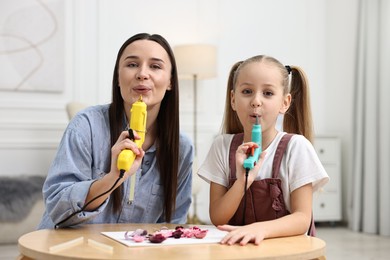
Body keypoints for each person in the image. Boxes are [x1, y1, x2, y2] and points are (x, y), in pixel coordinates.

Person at [38, 33, 193, 229]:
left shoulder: (181, 148)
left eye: (155, 66)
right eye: (132, 64)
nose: (142, 74)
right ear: (118, 78)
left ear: (170, 81)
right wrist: (113, 178)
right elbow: (57, 209)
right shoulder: (85, 125)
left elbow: (173, 226)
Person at [198, 55, 329, 245]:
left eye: (267, 93)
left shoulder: (297, 147)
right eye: (247, 91)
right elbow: (218, 218)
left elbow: (302, 218)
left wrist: (259, 229)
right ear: (233, 99)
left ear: (285, 103)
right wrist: (243, 180)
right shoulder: (222, 147)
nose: (256, 101)